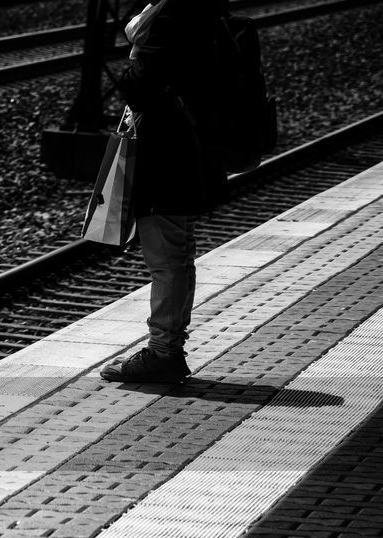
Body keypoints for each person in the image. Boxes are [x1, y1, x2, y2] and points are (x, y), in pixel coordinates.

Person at [100, 0, 231, 383]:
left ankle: (164, 353)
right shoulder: (200, 11)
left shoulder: (174, 14)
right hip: (187, 147)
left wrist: (133, 57)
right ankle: (166, 348)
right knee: (177, 253)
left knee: (168, 258)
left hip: (165, 153)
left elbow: (140, 86)